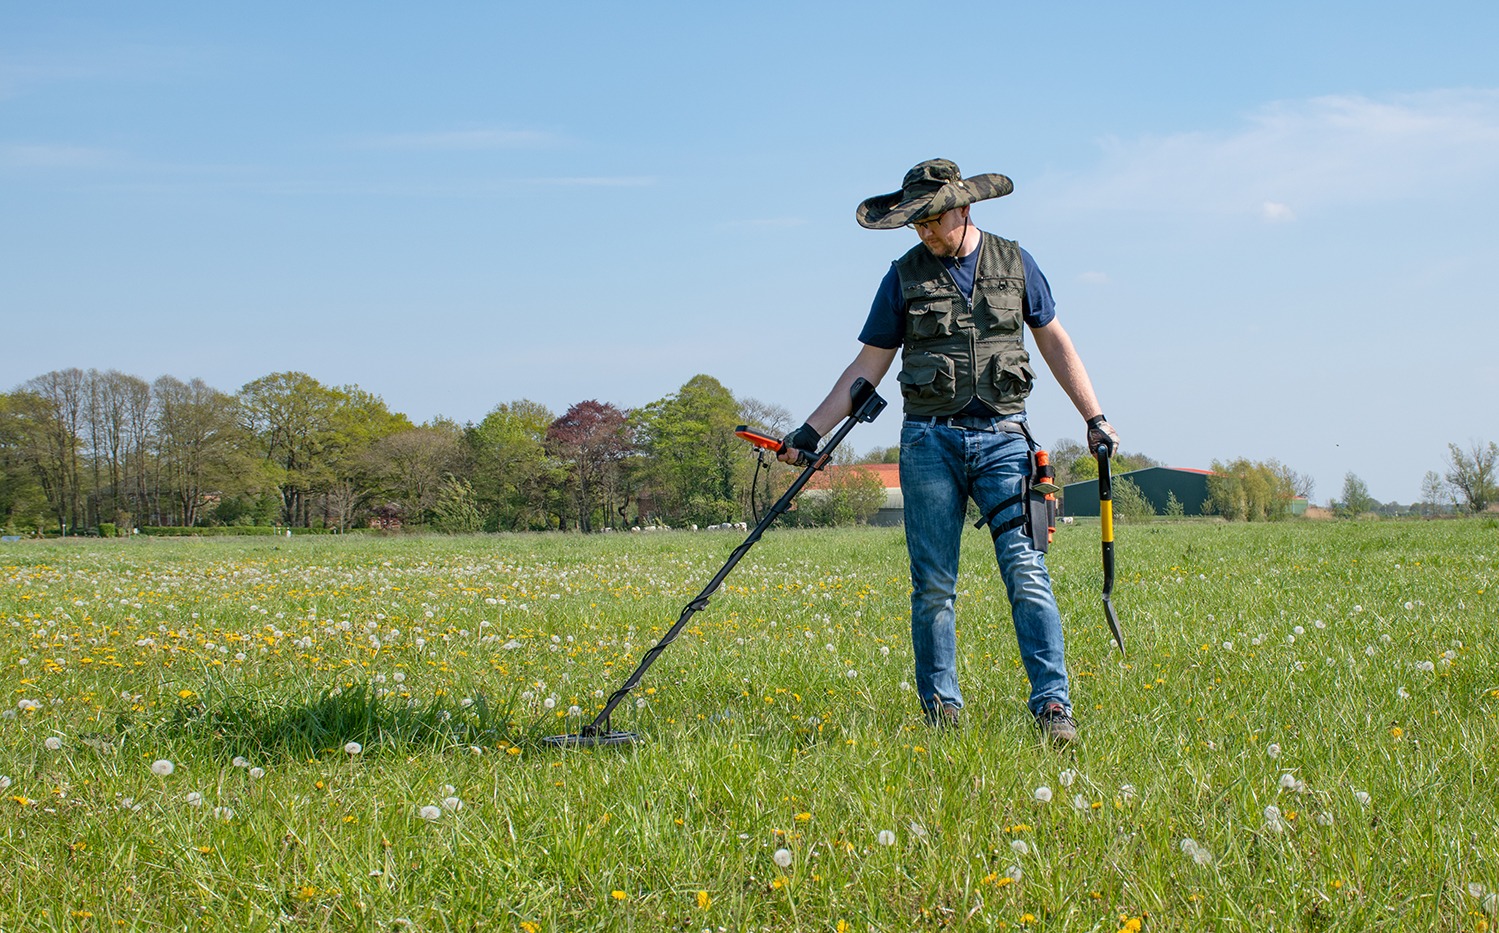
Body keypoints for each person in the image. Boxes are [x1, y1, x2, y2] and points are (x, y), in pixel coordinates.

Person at [780, 158, 1118, 745]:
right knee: (934, 583)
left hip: (1005, 442)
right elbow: (867, 366)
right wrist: (809, 432)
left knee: (1027, 572)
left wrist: (1094, 417)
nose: (925, 233)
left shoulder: (1016, 263)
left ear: (964, 209)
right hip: (928, 444)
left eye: (932, 221)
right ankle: (942, 712)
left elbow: (1056, 342)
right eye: (916, 225)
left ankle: (1053, 707)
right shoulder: (903, 275)